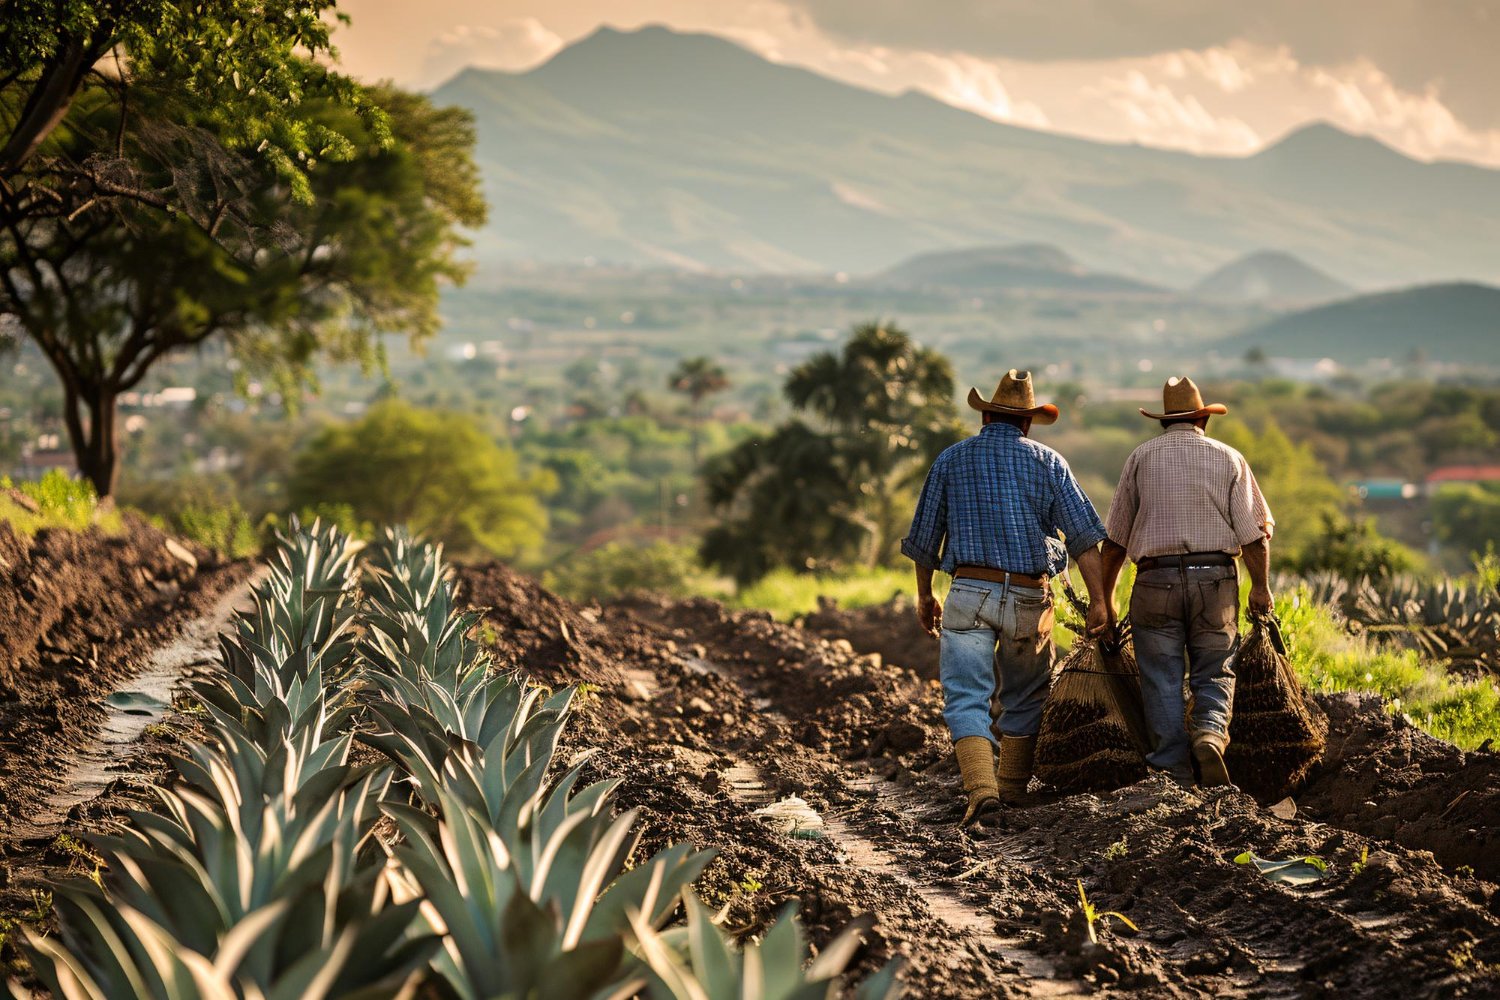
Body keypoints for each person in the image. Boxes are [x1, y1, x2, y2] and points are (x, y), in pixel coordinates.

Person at [903, 370, 1111, 827]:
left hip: (968, 593)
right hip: (1028, 597)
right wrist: (1100, 600)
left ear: (986, 414)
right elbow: (1084, 539)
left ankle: (982, 792)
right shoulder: (1049, 462)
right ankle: (1013, 791)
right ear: (1027, 422)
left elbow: (923, 541)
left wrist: (925, 595)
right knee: (1027, 695)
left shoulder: (951, 460)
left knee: (965, 697)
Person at [1100, 376, 1274, 788]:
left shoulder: (1140, 458)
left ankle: (1170, 771)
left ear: (1163, 421)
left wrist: (1104, 602)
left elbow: (1115, 542)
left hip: (1154, 582)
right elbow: (1254, 536)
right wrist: (1261, 588)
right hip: (1215, 580)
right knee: (1215, 668)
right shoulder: (1229, 458)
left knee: (1160, 675)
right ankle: (1211, 732)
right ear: (1202, 418)